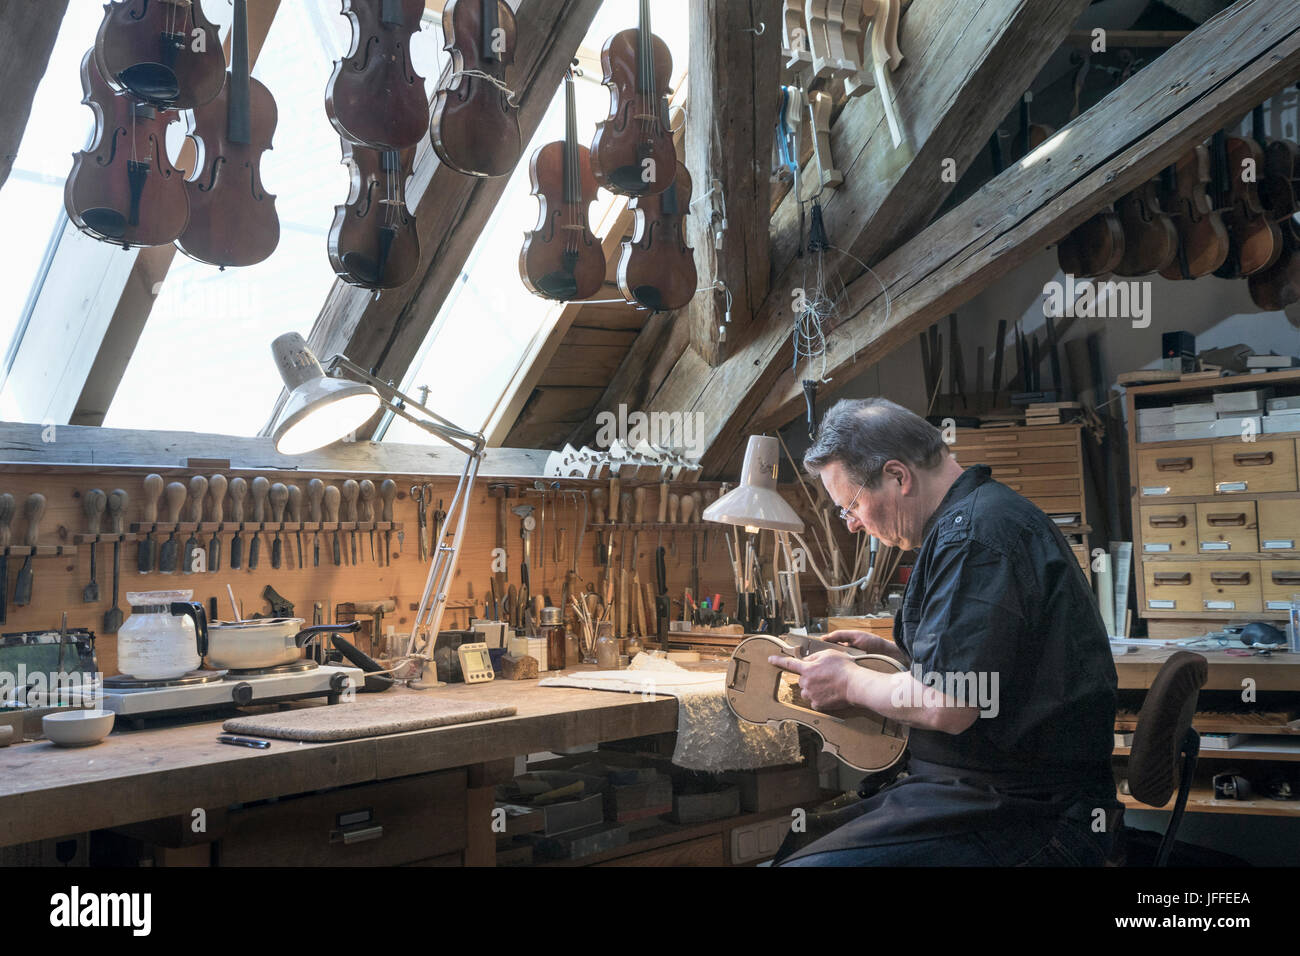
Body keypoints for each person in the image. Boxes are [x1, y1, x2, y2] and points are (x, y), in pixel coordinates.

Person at [774, 397, 1120, 866]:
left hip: (1029, 815)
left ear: (898, 476)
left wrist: (849, 681)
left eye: (851, 505)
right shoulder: (979, 516)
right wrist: (897, 657)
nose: (852, 525)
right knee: (800, 841)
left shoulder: (973, 536)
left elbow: (951, 705)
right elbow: (990, 669)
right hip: (982, 794)